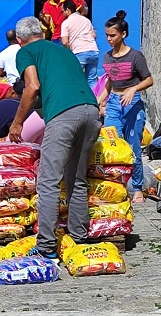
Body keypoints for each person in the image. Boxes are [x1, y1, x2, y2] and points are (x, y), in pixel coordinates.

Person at [9, 16, 100, 260]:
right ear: (42, 32)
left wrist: (17, 122)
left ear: (20, 40)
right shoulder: (64, 51)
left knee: (48, 181)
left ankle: (47, 246)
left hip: (64, 114)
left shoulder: (25, 52)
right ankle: (79, 238)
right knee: (77, 178)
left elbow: (32, 86)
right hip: (91, 111)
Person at [97, 10, 154, 204]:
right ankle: (117, 187)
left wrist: (133, 89)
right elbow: (110, 82)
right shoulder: (106, 57)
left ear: (123, 34)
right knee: (112, 144)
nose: (109, 39)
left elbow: (149, 80)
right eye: (106, 35)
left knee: (132, 147)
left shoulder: (135, 56)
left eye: (112, 35)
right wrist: (99, 99)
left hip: (133, 105)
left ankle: (137, 189)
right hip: (113, 104)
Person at [61, 0, 99, 88]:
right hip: (94, 51)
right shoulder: (86, 20)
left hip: (79, 52)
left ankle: (80, 100)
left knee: (76, 79)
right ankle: (94, 100)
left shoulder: (66, 23)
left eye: (62, 11)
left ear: (68, 10)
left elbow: (64, 41)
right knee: (92, 79)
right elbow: (94, 35)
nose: (62, 13)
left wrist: (69, 51)